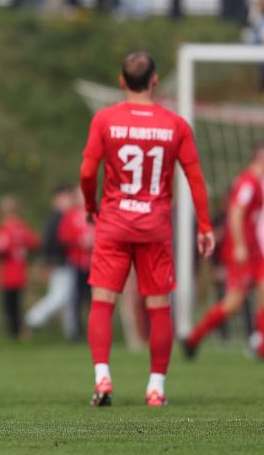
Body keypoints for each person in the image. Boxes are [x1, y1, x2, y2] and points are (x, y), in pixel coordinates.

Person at [79, 52, 214, 408]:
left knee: (103, 301)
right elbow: (195, 177)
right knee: (158, 307)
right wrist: (204, 224)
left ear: (122, 82)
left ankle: (102, 377)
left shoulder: (105, 119)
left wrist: (91, 205)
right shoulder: (175, 125)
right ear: (155, 81)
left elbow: (87, 171)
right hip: (154, 226)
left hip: (114, 223)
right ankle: (156, 387)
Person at [184, 145, 264, 359]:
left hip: (255, 250)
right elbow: (236, 213)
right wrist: (239, 245)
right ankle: (193, 338)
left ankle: (260, 345)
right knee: (233, 303)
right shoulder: (248, 182)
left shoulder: (257, 182)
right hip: (243, 250)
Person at [24, 185, 79, 338]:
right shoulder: (57, 218)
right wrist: (49, 262)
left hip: (65, 262)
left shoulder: (63, 216)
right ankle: (32, 319)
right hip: (59, 263)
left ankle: (73, 333)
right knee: (59, 297)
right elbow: (49, 242)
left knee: (68, 299)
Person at [0, 195, 39, 339]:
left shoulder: (5, 229)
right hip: (21, 271)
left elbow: (0, 248)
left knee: (10, 305)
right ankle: (20, 331)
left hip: (8, 272)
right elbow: (35, 243)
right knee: (17, 303)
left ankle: (16, 332)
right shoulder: (23, 228)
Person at [58, 188, 94, 337]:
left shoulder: (97, 213)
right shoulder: (70, 216)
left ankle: (95, 331)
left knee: (94, 300)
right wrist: (78, 242)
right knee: (76, 298)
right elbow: (63, 237)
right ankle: (75, 332)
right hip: (77, 263)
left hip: (95, 263)